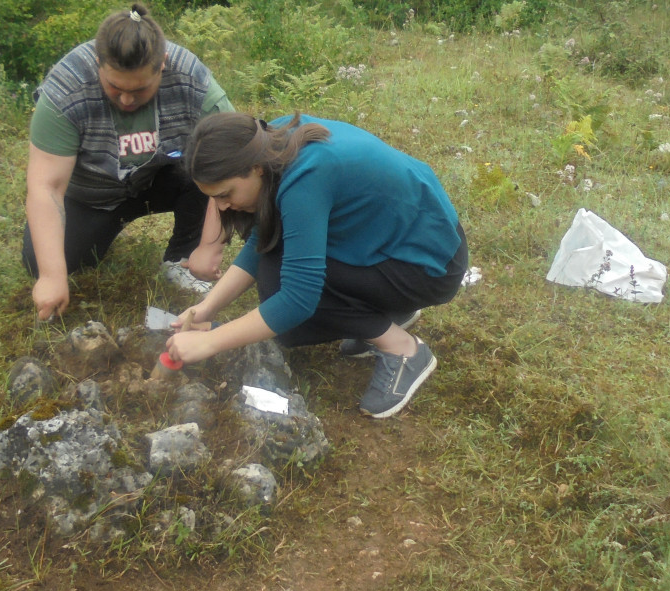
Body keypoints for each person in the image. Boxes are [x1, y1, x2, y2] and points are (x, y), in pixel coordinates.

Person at [165, 112, 468, 419]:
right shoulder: (269, 140)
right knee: (277, 263)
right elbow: (264, 238)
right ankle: (386, 311)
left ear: (254, 168)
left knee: (282, 288)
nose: (221, 207)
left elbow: (297, 299)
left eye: (225, 195)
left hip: (429, 267)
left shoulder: (305, 177)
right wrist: (206, 308)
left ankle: (404, 350)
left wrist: (210, 343)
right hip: (401, 244)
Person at [23, 2, 233, 321]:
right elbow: (46, 186)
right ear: (98, 64)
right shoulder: (65, 90)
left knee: (205, 161)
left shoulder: (192, 78)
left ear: (162, 64)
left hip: (165, 178)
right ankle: (98, 233)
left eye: (139, 89)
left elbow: (233, 161)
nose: (126, 99)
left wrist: (212, 245)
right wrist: (52, 276)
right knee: (38, 262)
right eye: (114, 87)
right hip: (92, 197)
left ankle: (183, 258)